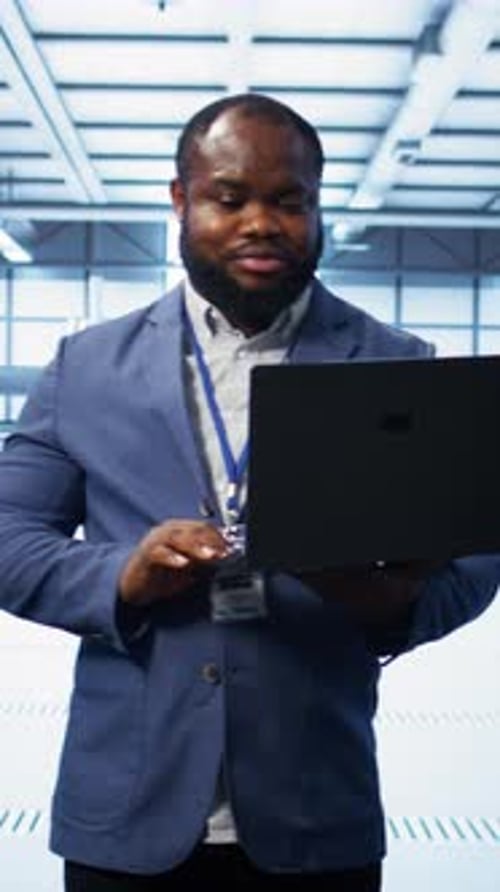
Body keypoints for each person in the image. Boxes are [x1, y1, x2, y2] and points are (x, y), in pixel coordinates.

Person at [0, 93, 498, 892]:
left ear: (317, 206)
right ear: (180, 200)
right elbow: (8, 534)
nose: (261, 223)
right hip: (126, 815)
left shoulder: (399, 363)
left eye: (289, 201)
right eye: (229, 199)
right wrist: (121, 576)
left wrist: (393, 606)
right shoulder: (84, 368)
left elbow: (476, 552)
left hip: (317, 814)